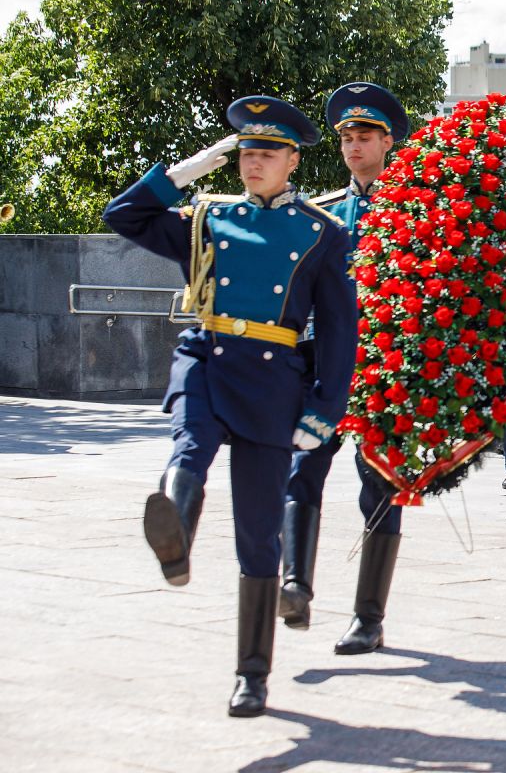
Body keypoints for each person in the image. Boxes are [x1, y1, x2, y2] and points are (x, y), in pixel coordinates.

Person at [102, 96, 357, 717]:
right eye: (245, 151)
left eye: (266, 152)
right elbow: (125, 215)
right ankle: (177, 537)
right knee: (188, 445)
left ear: (292, 160)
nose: (252, 161)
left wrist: (324, 409)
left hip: (273, 378)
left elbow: (341, 329)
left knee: (257, 527)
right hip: (207, 355)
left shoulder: (322, 234)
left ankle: (252, 672)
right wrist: (189, 169)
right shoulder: (207, 219)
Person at [278, 82, 408, 637]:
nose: (354, 145)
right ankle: (295, 587)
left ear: (388, 143)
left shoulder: (419, 211)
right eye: (348, 137)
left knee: (378, 483)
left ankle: (368, 618)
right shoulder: (324, 214)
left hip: (385, 365)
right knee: (302, 468)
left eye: (365, 136)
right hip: (323, 364)